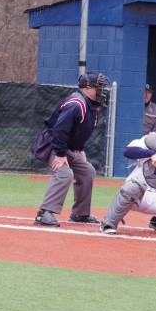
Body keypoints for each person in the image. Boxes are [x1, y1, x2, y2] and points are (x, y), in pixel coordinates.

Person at [33, 72, 110, 226]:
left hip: (68, 147)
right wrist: (60, 155)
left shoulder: (91, 106)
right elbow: (60, 130)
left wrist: (79, 149)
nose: (102, 89)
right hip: (53, 144)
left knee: (88, 171)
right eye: (99, 86)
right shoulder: (76, 104)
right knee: (64, 173)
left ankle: (80, 214)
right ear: (87, 88)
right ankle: (44, 213)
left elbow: (80, 131)